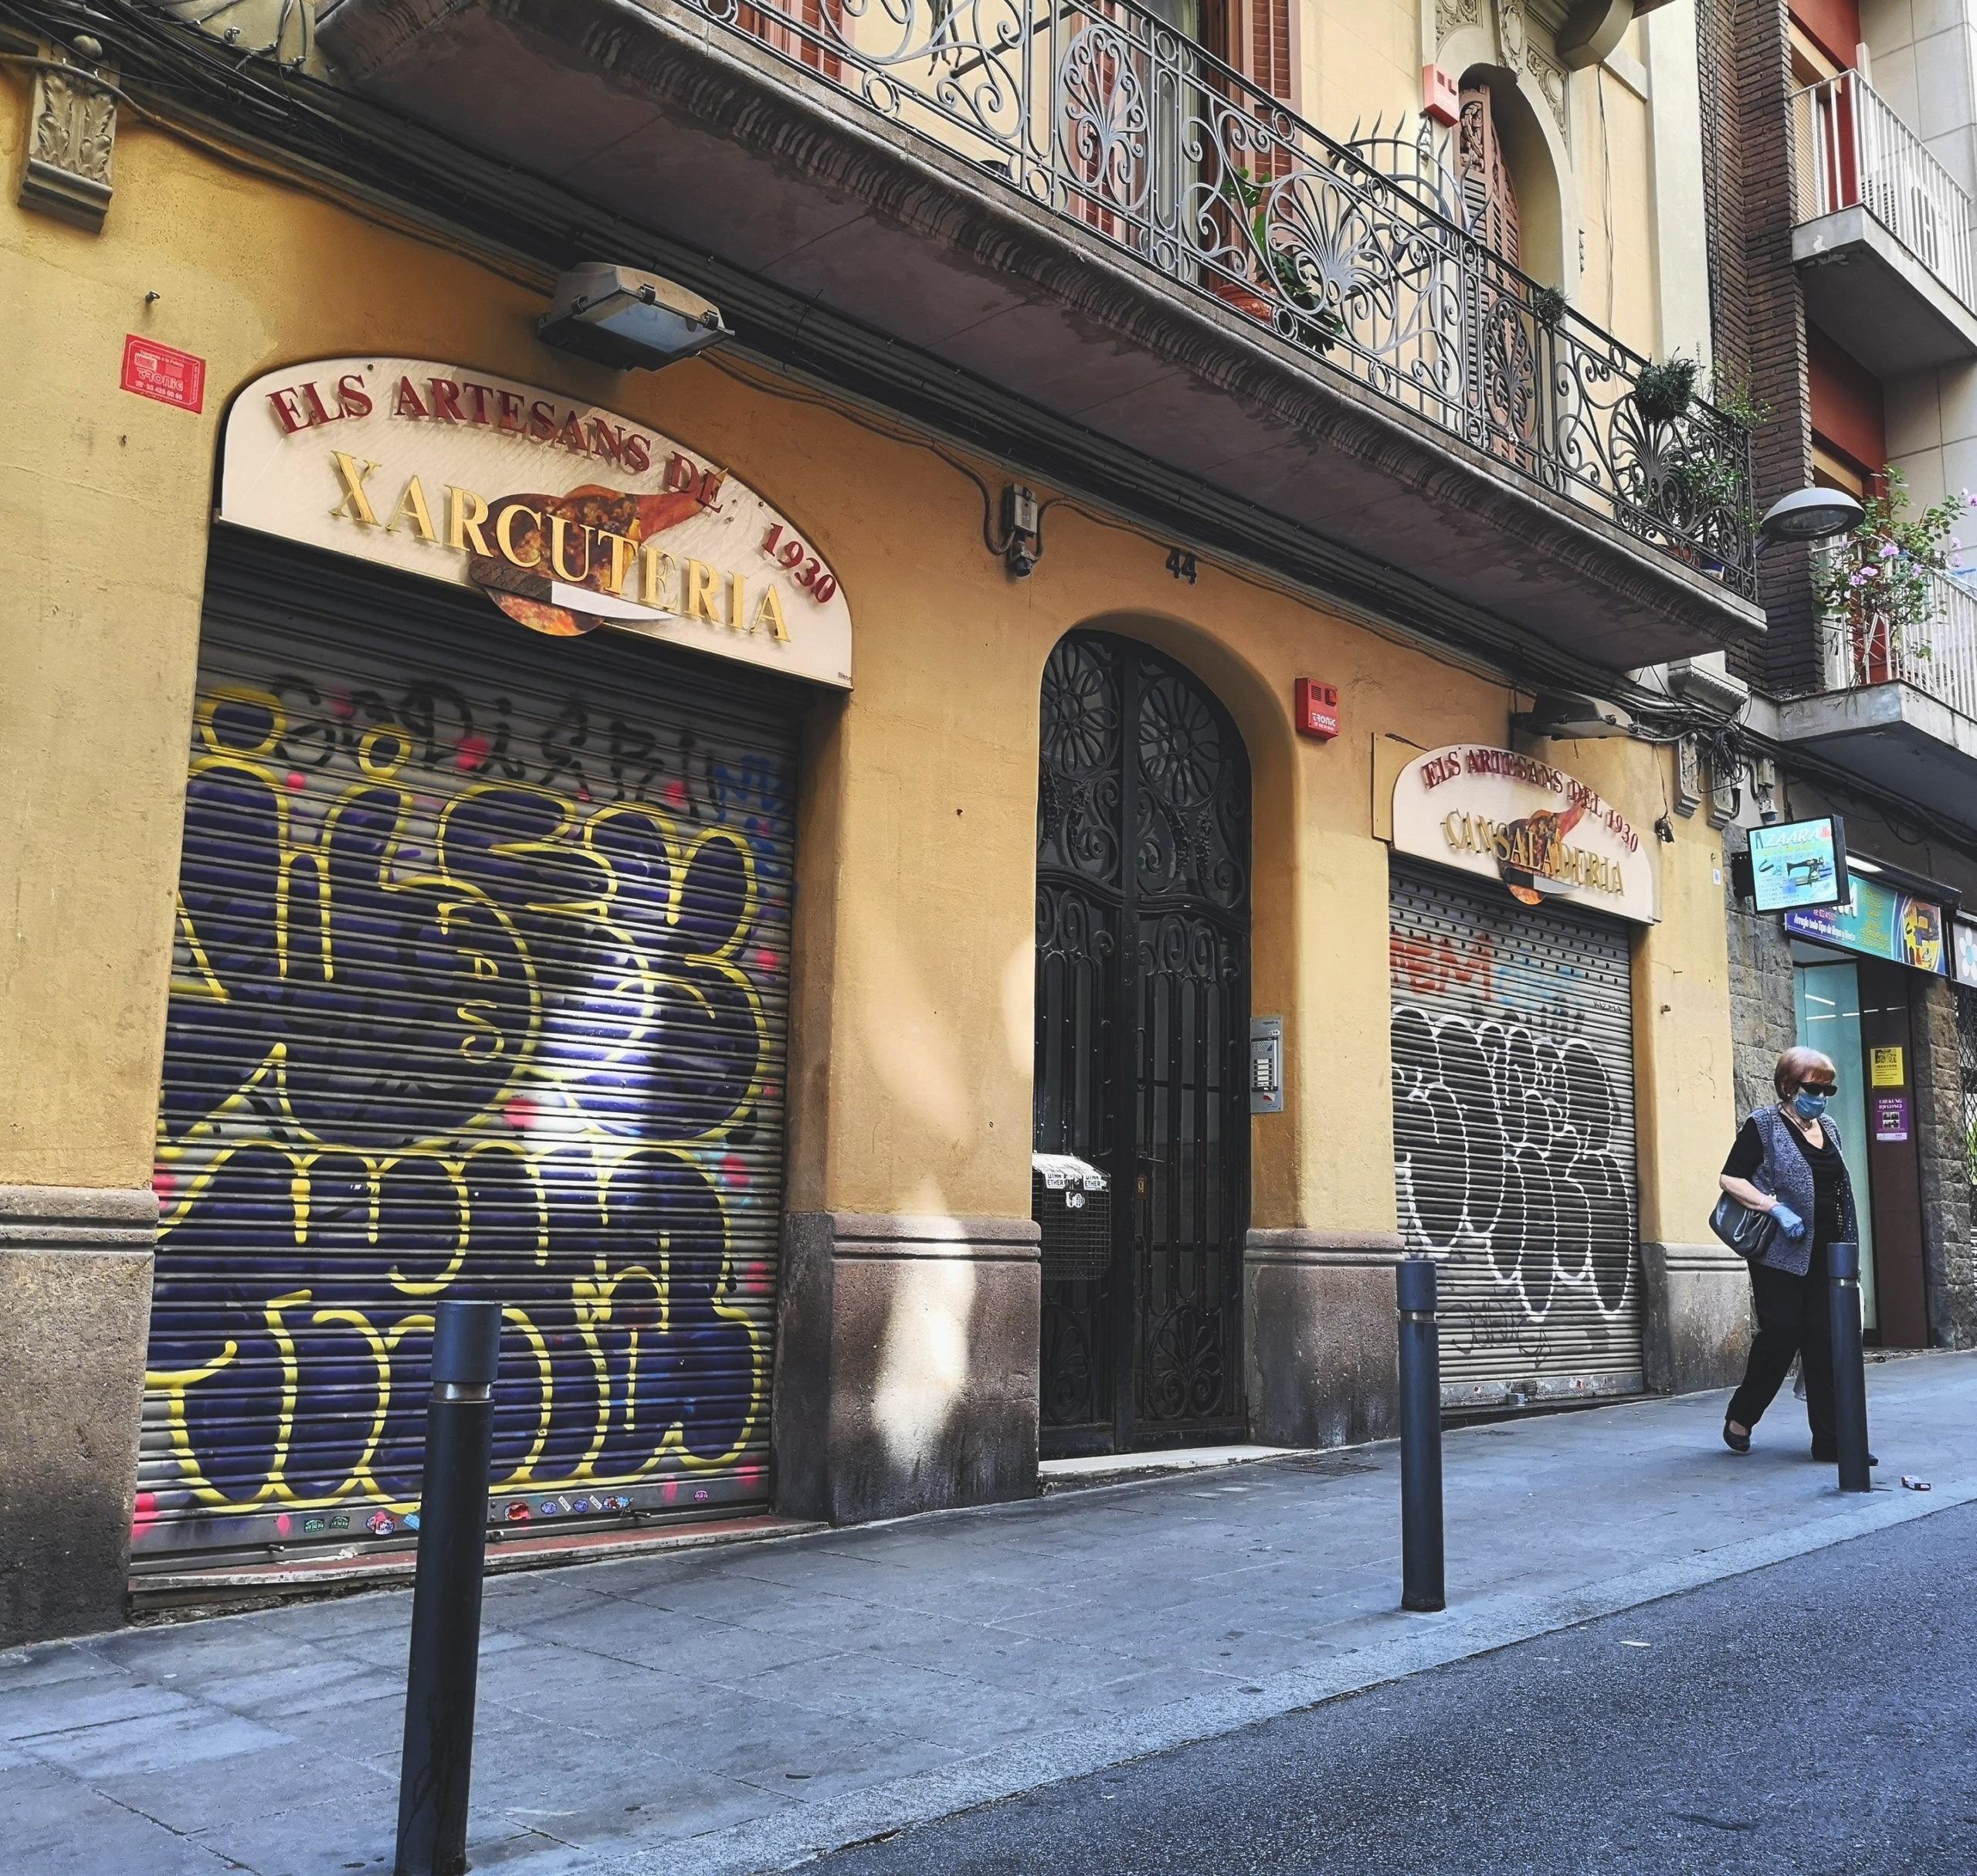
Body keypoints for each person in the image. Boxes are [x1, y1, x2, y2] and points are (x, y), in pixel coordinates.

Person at [1718, 1046, 1877, 1464]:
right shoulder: (1764, 1125)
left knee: (1826, 1343)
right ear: (1789, 1086)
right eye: (1813, 1088)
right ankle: (1742, 1414)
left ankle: (1831, 1441)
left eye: (1828, 1089)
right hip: (1778, 1255)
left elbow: (1838, 1187)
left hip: (1828, 1253)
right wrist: (1775, 1208)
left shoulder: (1830, 1127)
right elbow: (1730, 1177)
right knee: (1783, 1333)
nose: (1821, 1097)